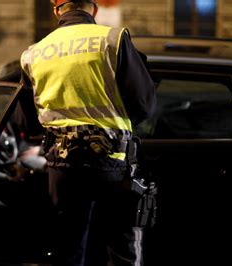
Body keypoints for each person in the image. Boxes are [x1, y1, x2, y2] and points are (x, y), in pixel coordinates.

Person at [19, 0, 156, 265]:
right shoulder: (113, 39)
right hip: (113, 163)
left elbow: (26, 123)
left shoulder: (34, 53)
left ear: (56, 9)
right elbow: (144, 105)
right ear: (93, 8)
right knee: (121, 251)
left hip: (63, 166)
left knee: (68, 250)